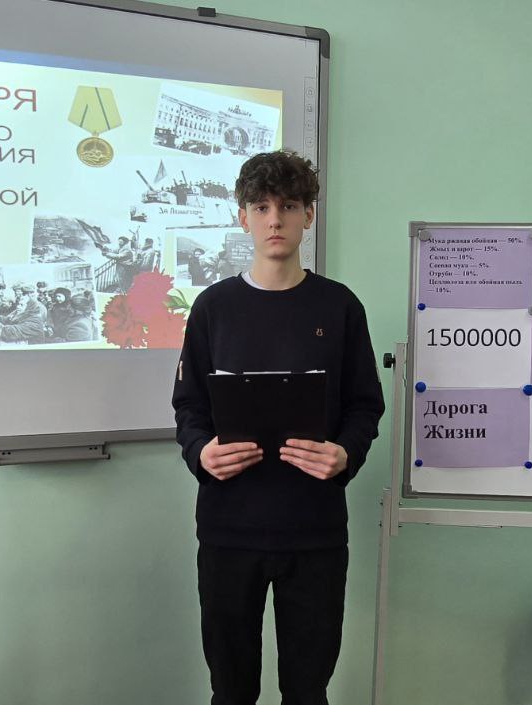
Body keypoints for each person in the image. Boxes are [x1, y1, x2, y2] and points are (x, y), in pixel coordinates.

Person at [171, 150, 384, 705]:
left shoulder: (339, 307)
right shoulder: (213, 308)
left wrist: (345, 453)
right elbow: (189, 406)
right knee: (231, 690)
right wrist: (200, 452)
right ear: (242, 216)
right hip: (228, 529)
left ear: (308, 215)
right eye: (261, 207)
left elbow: (365, 405)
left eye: (288, 206)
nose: (275, 220)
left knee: (308, 691)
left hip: (313, 530)